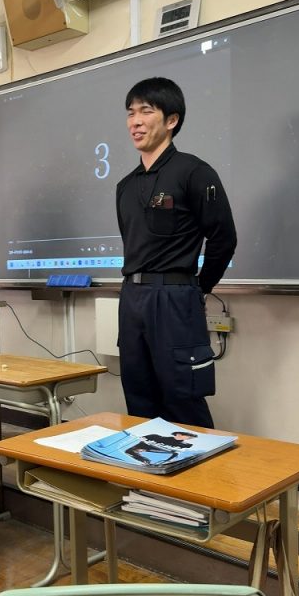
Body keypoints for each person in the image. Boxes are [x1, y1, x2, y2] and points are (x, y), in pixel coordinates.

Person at [116, 77, 236, 428]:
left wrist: (197, 289)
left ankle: (202, 465)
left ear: (172, 120)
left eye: (146, 111)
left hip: (174, 297)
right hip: (132, 298)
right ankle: (148, 465)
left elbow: (224, 239)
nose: (135, 121)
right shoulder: (125, 186)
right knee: (138, 399)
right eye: (131, 113)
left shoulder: (194, 172)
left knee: (183, 399)